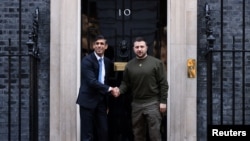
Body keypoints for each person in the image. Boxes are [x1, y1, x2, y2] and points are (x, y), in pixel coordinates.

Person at [116, 36, 169, 141]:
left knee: (155, 135)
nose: (139, 49)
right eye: (137, 47)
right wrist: (119, 90)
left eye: (141, 47)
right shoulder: (129, 65)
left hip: (152, 103)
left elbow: (163, 83)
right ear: (133, 49)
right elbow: (125, 83)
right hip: (136, 104)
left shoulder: (156, 63)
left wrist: (163, 101)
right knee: (138, 134)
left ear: (146, 47)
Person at [76, 35, 119, 141]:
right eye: (97, 43)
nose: (99, 46)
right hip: (87, 101)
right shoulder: (87, 61)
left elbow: (106, 80)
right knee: (87, 135)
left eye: (102, 44)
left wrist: (107, 102)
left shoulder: (108, 62)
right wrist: (110, 89)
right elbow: (92, 82)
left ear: (106, 46)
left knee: (103, 132)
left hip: (101, 103)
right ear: (93, 46)